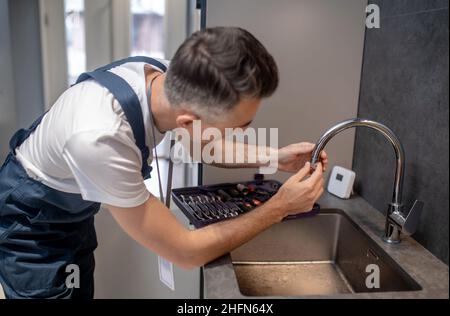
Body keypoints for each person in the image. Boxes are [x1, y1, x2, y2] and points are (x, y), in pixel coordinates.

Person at [0, 27, 327, 299]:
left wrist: (274, 158)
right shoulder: (100, 138)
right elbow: (184, 251)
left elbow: (202, 147)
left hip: (72, 211)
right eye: (239, 127)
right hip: (32, 227)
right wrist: (280, 207)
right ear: (187, 122)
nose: (244, 131)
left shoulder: (169, 76)